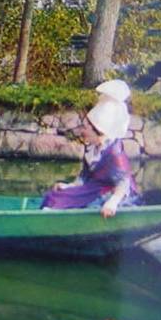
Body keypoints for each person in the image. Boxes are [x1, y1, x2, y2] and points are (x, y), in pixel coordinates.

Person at [40, 80, 138, 218]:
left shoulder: (115, 153)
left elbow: (123, 183)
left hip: (114, 193)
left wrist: (112, 203)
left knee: (59, 203)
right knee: (54, 195)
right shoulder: (91, 146)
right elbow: (84, 176)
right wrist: (69, 186)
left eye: (86, 128)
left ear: (99, 131)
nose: (82, 131)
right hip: (95, 186)